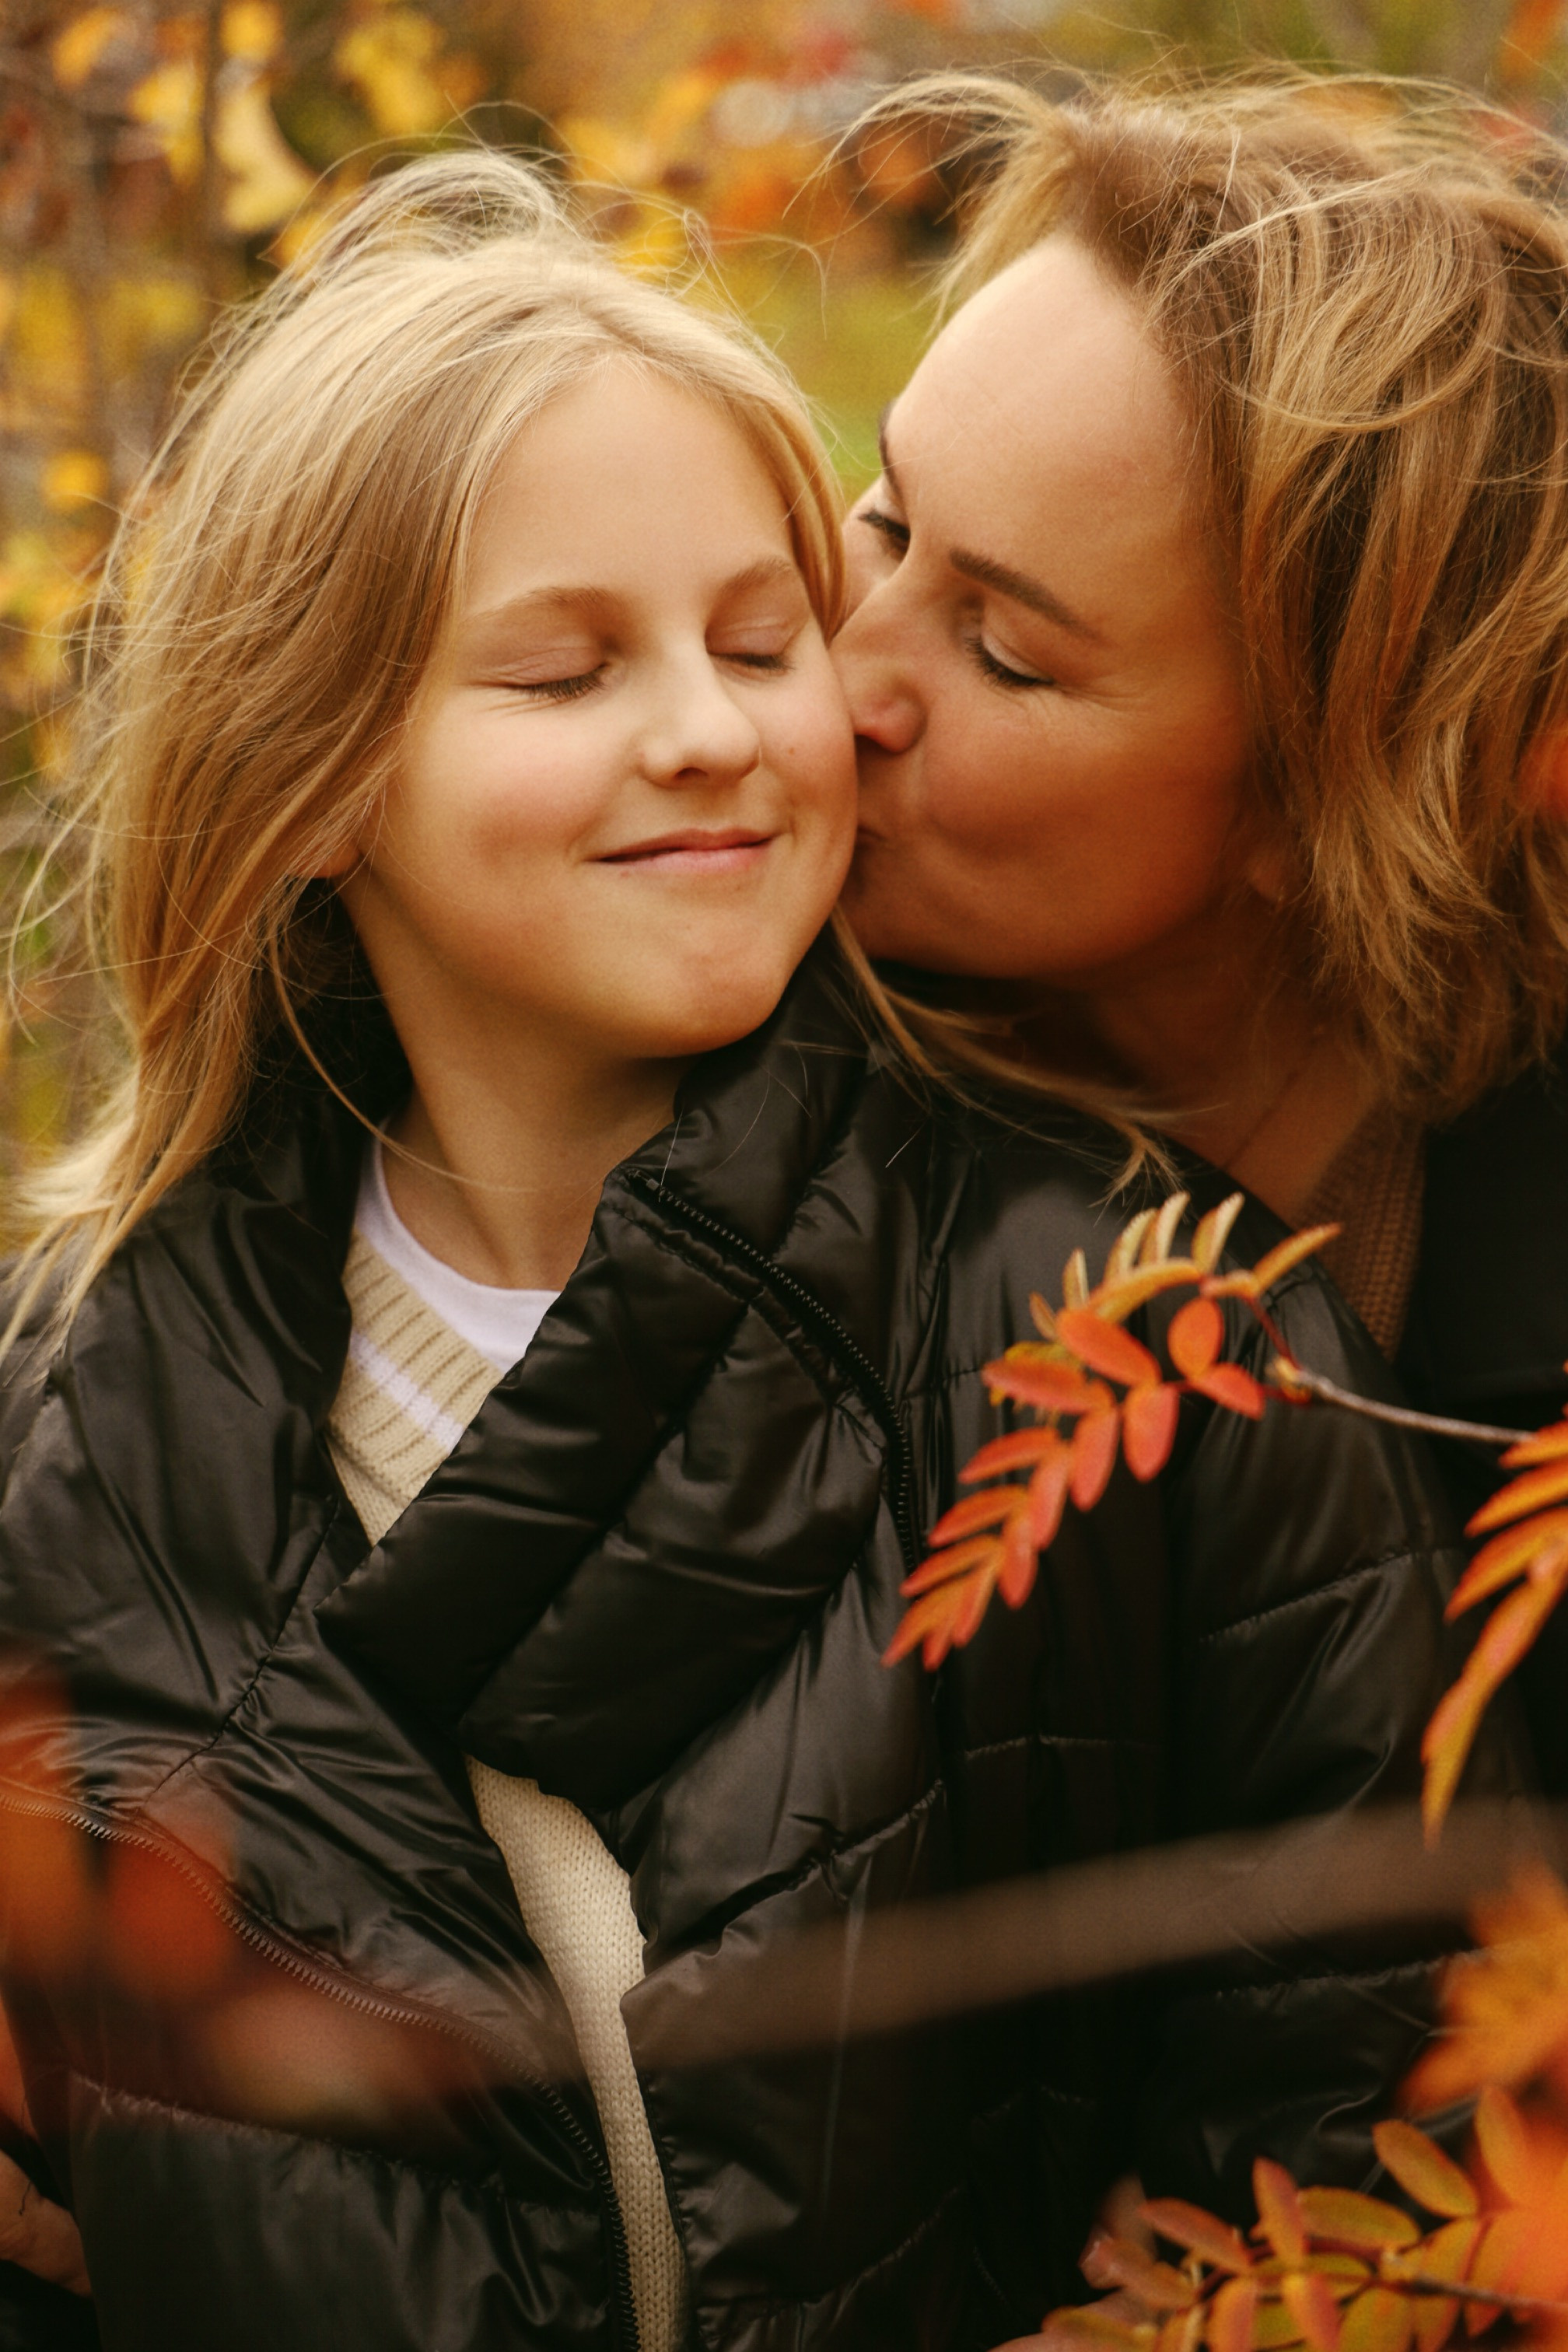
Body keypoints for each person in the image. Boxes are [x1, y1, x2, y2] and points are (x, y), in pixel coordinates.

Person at [0, 151, 1502, 2352]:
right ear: (311, 775)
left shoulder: (1149, 1338)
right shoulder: (70, 1403)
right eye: (564, 670)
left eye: (758, 636)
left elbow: (1350, 2176)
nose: (723, 727)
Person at [834, 65, 1568, 1790]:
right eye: (883, 521)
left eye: (1004, 652)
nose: (843, 680)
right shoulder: (717, 1091)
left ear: (1322, 811)